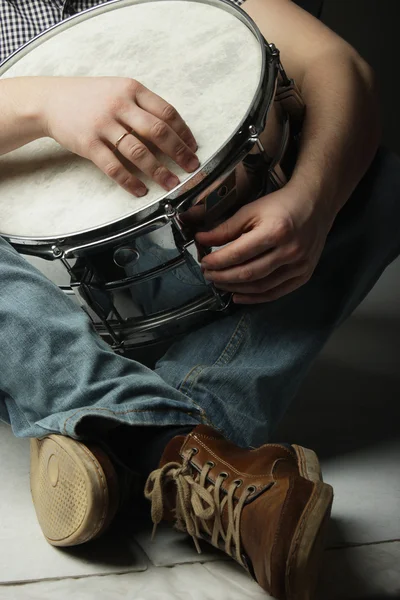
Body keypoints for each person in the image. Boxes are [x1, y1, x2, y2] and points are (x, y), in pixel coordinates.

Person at [1, 0, 399, 598]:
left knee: (379, 182)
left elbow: (337, 64)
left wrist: (314, 202)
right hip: (33, 301)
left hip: (206, 280)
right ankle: (160, 446)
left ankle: (119, 443)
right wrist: (42, 103)